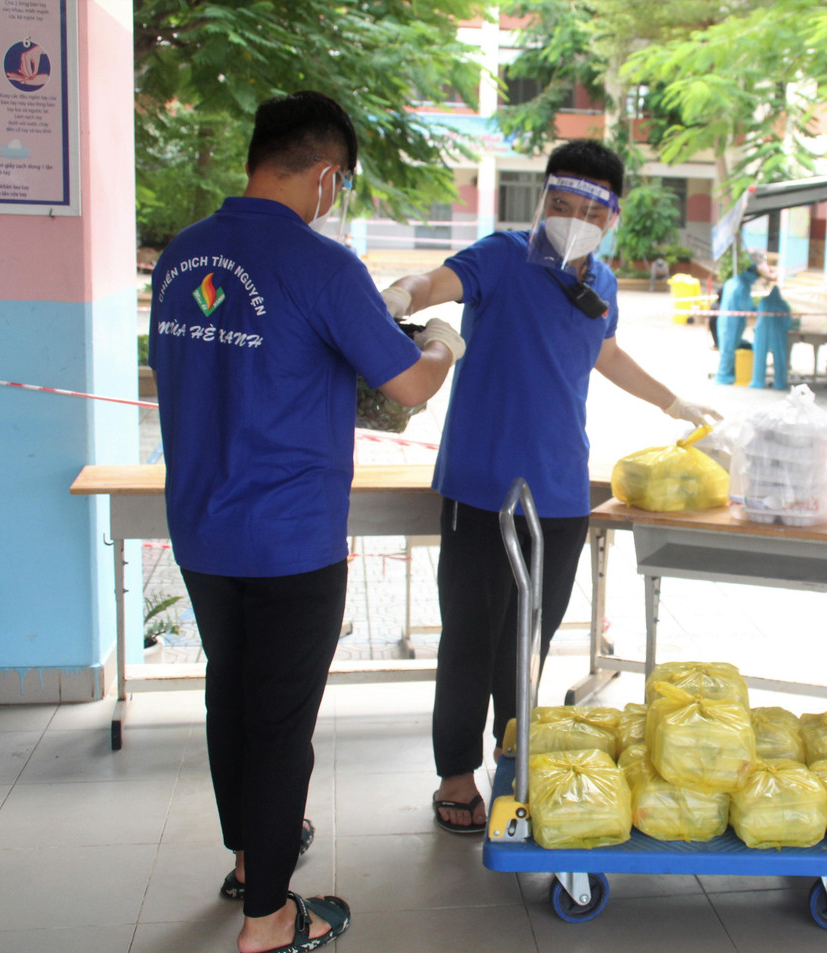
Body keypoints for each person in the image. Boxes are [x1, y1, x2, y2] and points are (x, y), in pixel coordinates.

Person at [149, 90, 459, 953]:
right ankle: (270, 920)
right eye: (344, 182)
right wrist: (443, 341)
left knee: (230, 691)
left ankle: (252, 857)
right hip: (288, 535)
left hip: (202, 525)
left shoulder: (180, 256)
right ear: (327, 174)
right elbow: (408, 384)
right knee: (282, 719)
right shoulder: (323, 266)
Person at [379, 139, 720, 833]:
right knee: (470, 635)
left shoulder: (604, 284)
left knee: (529, 637)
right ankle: (455, 774)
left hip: (560, 494)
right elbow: (435, 282)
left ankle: (516, 755)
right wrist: (400, 294)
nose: (571, 219)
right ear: (542, 200)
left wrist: (671, 402)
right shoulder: (502, 257)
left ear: (612, 217)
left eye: (588, 211)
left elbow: (606, 352)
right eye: (558, 203)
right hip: (482, 487)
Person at [714, 261, 763, 384]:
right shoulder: (743, 286)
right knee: (729, 350)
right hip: (733, 322)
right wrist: (758, 309)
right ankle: (723, 376)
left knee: (725, 349)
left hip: (725, 319)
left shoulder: (732, 281)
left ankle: (725, 374)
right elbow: (745, 306)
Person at [749, 279, 792, 389]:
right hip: (777, 333)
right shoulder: (782, 304)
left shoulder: (763, 302)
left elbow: (757, 314)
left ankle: (758, 381)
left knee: (759, 357)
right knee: (779, 357)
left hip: (762, 332)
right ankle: (780, 382)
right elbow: (788, 322)